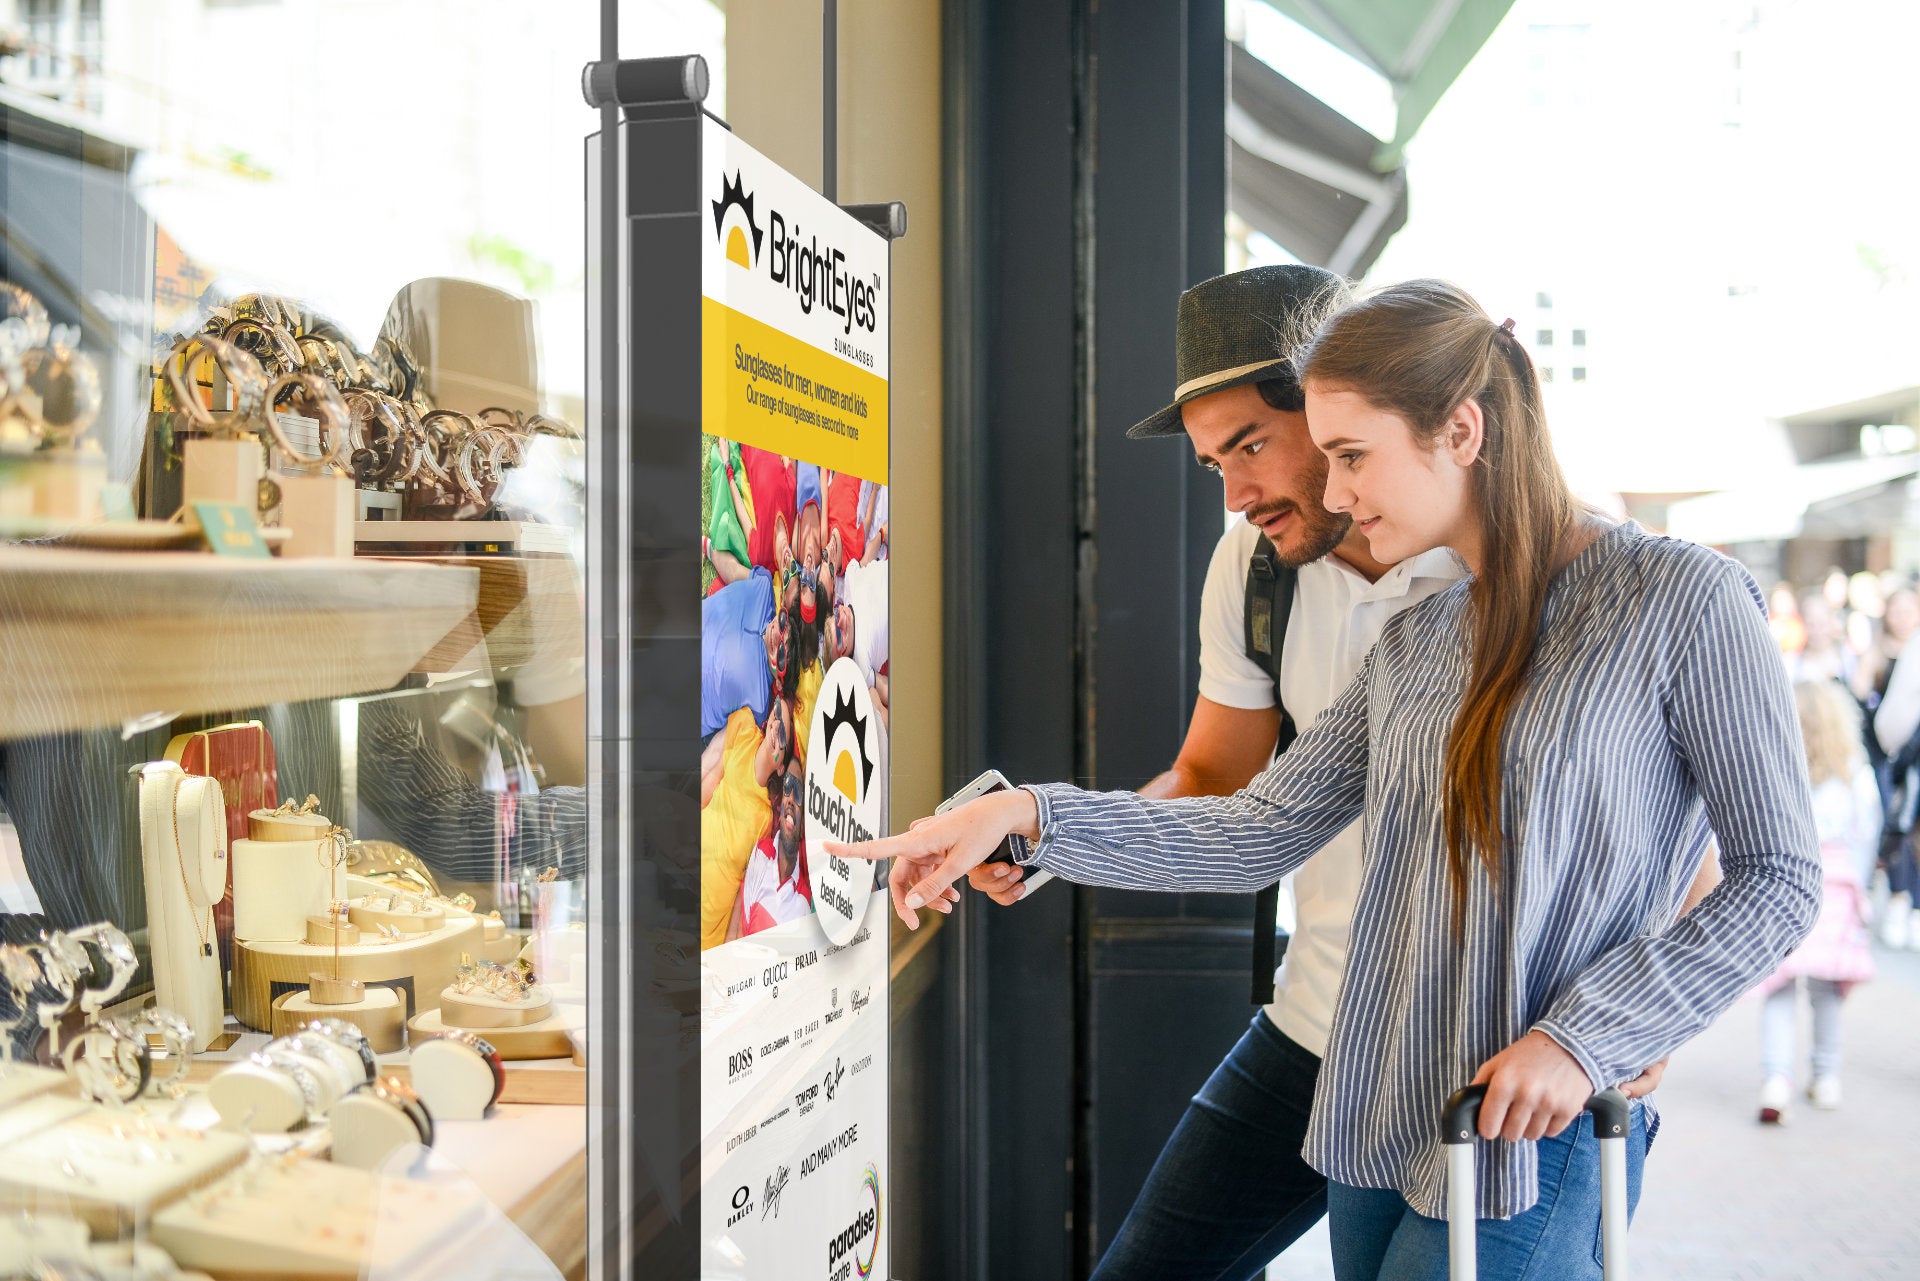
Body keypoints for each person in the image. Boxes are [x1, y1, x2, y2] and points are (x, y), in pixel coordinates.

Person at [840, 280, 1820, 1281]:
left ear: (1463, 431)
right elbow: (1253, 826)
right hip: (1373, 1092)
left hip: (1534, 1119)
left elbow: (1774, 877)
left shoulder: (1685, 598)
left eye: (1351, 456)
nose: (1340, 495)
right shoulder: (1416, 641)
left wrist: (1596, 1033)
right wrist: (1028, 816)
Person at [1757, 680, 1878, 1122]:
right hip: (1837, 887)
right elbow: (1867, 831)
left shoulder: (1775, 766)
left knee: (1780, 989)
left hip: (1787, 884)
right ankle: (1826, 1077)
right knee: (1826, 993)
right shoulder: (1854, 772)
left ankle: (1775, 1079)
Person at [738, 757, 814, 937]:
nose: (791, 799)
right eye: (788, 787)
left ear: (803, 823)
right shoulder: (761, 852)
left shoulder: (806, 898)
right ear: (779, 811)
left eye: (799, 794)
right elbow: (738, 933)